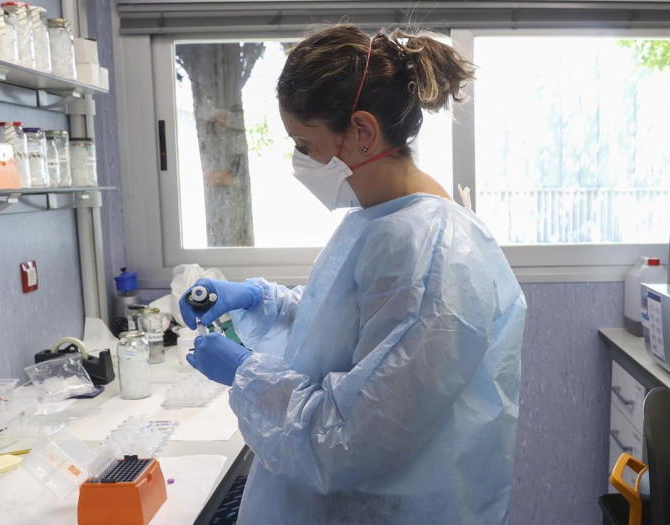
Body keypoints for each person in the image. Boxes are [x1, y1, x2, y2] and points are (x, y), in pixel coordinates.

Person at [179, 24, 527, 525]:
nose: (302, 160)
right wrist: (261, 301)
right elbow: (353, 335)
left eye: (305, 143)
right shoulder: (384, 221)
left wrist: (244, 374)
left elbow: (350, 437)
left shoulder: (431, 250)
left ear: (361, 132)